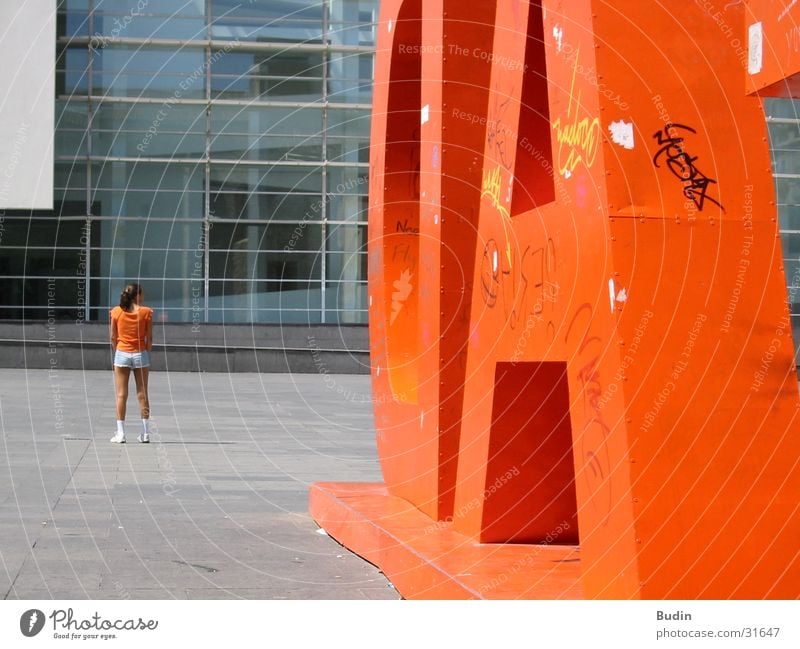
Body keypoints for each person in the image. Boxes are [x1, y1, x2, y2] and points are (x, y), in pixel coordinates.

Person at [108, 283, 153, 443]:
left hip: (122, 353)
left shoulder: (116, 312)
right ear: (137, 296)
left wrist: (118, 350)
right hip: (140, 354)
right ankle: (145, 433)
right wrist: (146, 352)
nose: (144, 296)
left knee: (121, 394)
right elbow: (149, 337)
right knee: (142, 394)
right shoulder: (146, 312)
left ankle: (120, 434)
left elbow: (113, 336)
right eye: (142, 293)